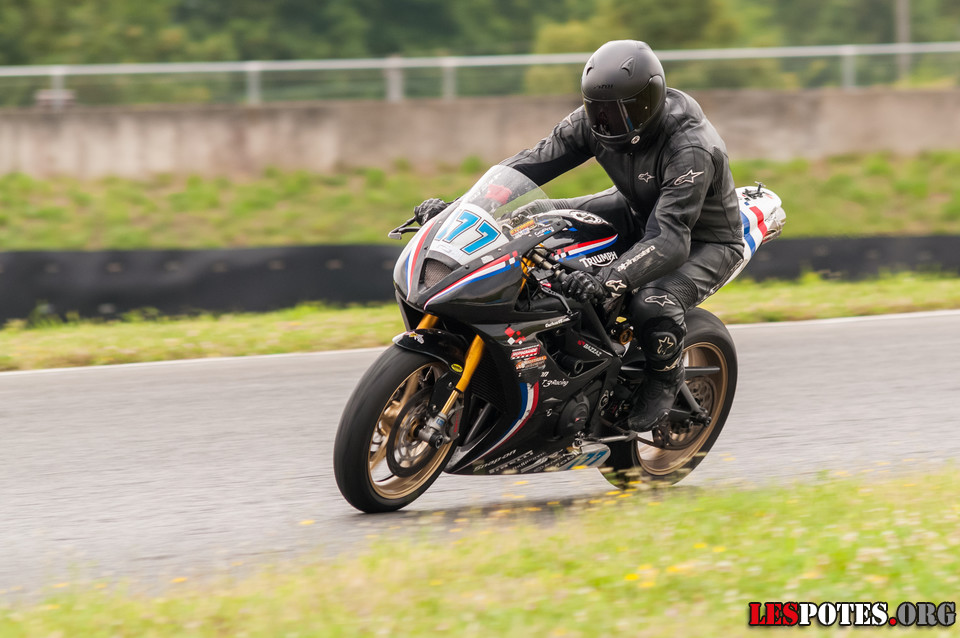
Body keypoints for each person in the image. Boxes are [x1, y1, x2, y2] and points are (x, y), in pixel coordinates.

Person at [413, 40, 744, 432]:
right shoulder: (593, 124)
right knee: (529, 218)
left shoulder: (690, 149)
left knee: (651, 302)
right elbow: (528, 166)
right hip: (635, 209)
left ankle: (665, 378)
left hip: (704, 240)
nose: (607, 123)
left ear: (651, 100)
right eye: (598, 110)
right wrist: (459, 207)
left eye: (622, 112)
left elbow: (671, 240)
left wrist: (606, 280)